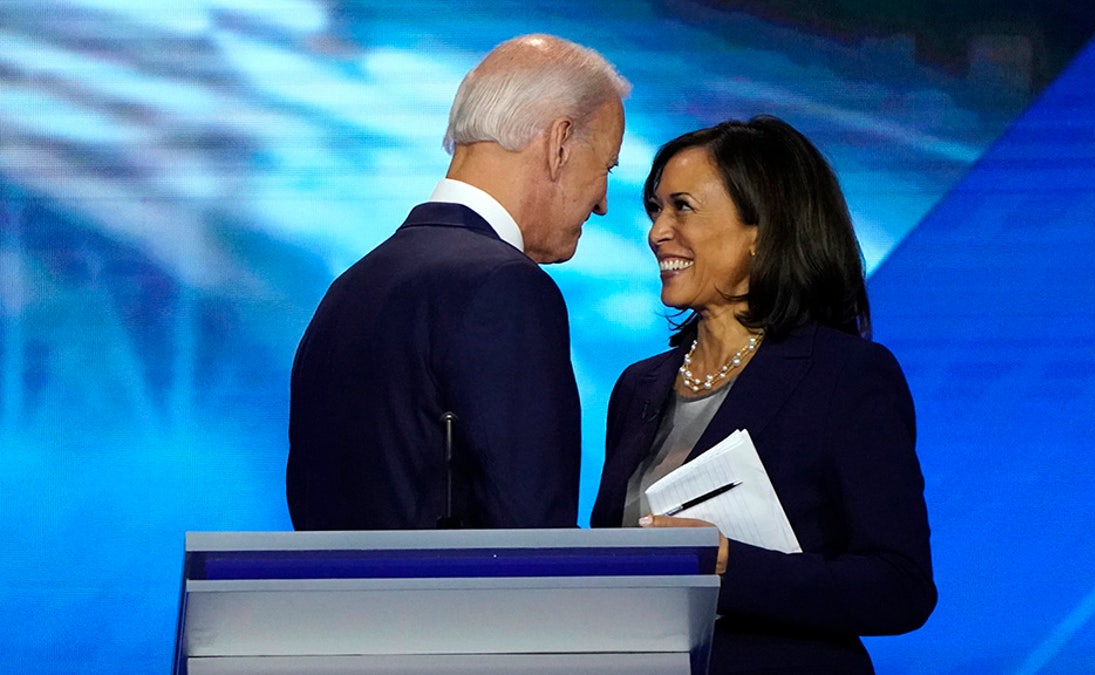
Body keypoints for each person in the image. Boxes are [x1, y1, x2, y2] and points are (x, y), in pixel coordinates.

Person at [591, 116, 935, 673]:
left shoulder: (846, 376)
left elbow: (900, 585)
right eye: (655, 209)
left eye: (682, 207)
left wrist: (730, 565)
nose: (657, 231)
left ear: (762, 230)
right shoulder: (639, 386)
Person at [288, 34, 629, 530]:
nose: (601, 202)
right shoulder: (504, 287)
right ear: (559, 144)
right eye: (606, 167)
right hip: (462, 608)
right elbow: (534, 540)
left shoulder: (352, 288)